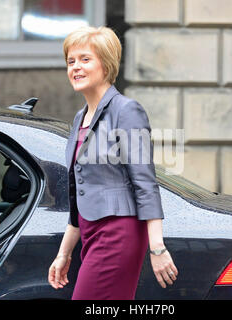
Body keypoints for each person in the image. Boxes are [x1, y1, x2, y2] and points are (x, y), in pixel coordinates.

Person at [48, 26, 178, 300]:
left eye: (85, 59)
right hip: (90, 234)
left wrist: (157, 248)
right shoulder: (79, 117)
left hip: (118, 233)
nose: (75, 68)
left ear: (106, 65)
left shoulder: (126, 111)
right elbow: (78, 194)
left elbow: (145, 183)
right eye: (71, 61)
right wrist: (63, 253)